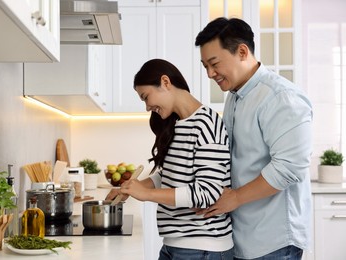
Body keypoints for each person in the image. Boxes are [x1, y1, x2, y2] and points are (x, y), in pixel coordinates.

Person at [194, 17, 313, 260]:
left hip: (274, 242)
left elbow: (290, 168)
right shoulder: (236, 96)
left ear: (242, 51)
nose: (210, 73)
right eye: (205, 66)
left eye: (214, 63)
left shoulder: (281, 97)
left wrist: (235, 198)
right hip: (244, 237)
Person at [106, 58, 234, 260]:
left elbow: (207, 193)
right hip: (175, 246)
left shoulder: (207, 124)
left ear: (165, 82)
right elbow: (172, 174)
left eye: (146, 97)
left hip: (203, 248)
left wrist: (146, 195)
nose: (147, 107)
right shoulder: (177, 123)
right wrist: (135, 187)